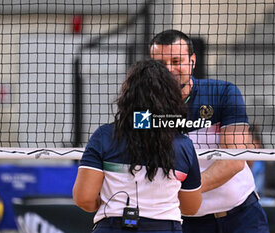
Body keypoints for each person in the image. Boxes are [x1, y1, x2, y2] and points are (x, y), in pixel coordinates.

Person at [149, 30, 269, 233]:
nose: (169, 69)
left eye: (177, 61)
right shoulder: (144, 108)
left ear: (192, 60)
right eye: (161, 64)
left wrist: (188, 190)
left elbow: (235, 159)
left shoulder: (224, 93)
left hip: (241, 217)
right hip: (184, 222)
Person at [73, 59, 202, 233]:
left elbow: (84, 198)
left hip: (113, 226)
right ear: (172, 98)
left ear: (128, 96)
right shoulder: (184, 145)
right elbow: (191, 207)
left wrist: (107, 204)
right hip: (164, 228)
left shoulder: (104, 136)